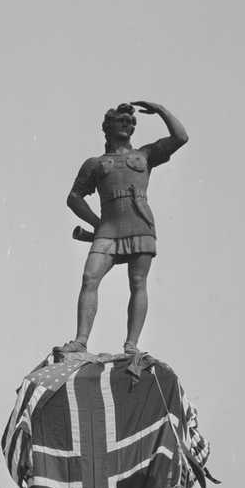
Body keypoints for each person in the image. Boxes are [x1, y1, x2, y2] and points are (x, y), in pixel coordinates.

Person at [60, 99, 188, 355]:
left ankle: (131, 344)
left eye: (130, 122)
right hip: (108, 229)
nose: (127, 124)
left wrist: (161, 110)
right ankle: (81, 340)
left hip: (140, 224)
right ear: (108, 127)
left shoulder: (144, 155)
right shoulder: (95, 163)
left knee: (138, 282)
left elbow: (180, 137)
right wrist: (96, 223)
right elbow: (74, 198)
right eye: (121, 121)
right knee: (89, 278)